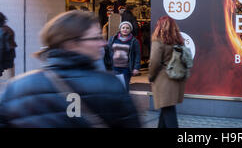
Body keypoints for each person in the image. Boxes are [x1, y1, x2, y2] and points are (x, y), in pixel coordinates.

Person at [0, 11, 141, 128]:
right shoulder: (110, 86)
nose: (103, 42)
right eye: (96, 37)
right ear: (72, 43)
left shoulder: (16, 88)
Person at [148, 16, 186, 128]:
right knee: (166, 108)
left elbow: (154, 62)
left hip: (163, 80)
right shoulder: (178, 41)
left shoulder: (158, 41)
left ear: (159, 26)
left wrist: (151, 77)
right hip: (175, 78)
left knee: (168, 110)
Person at [107, 21, 141, 91]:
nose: (125, 29)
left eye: (127, 28)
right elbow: (107, 51)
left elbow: (137, 55)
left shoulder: (134, 41)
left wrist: (136, 68)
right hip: (113, 67)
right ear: (120, 29)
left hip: (126, 69)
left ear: (130, 30)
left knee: (124, 87)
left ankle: (124, 100)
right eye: (123, 28)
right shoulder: (113, 39)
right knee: (113, 87)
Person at [0, 13, 17, 79]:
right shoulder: (8, 29)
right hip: (8, 66)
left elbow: (1, 49)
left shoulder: (2, 31)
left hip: (3, 67)